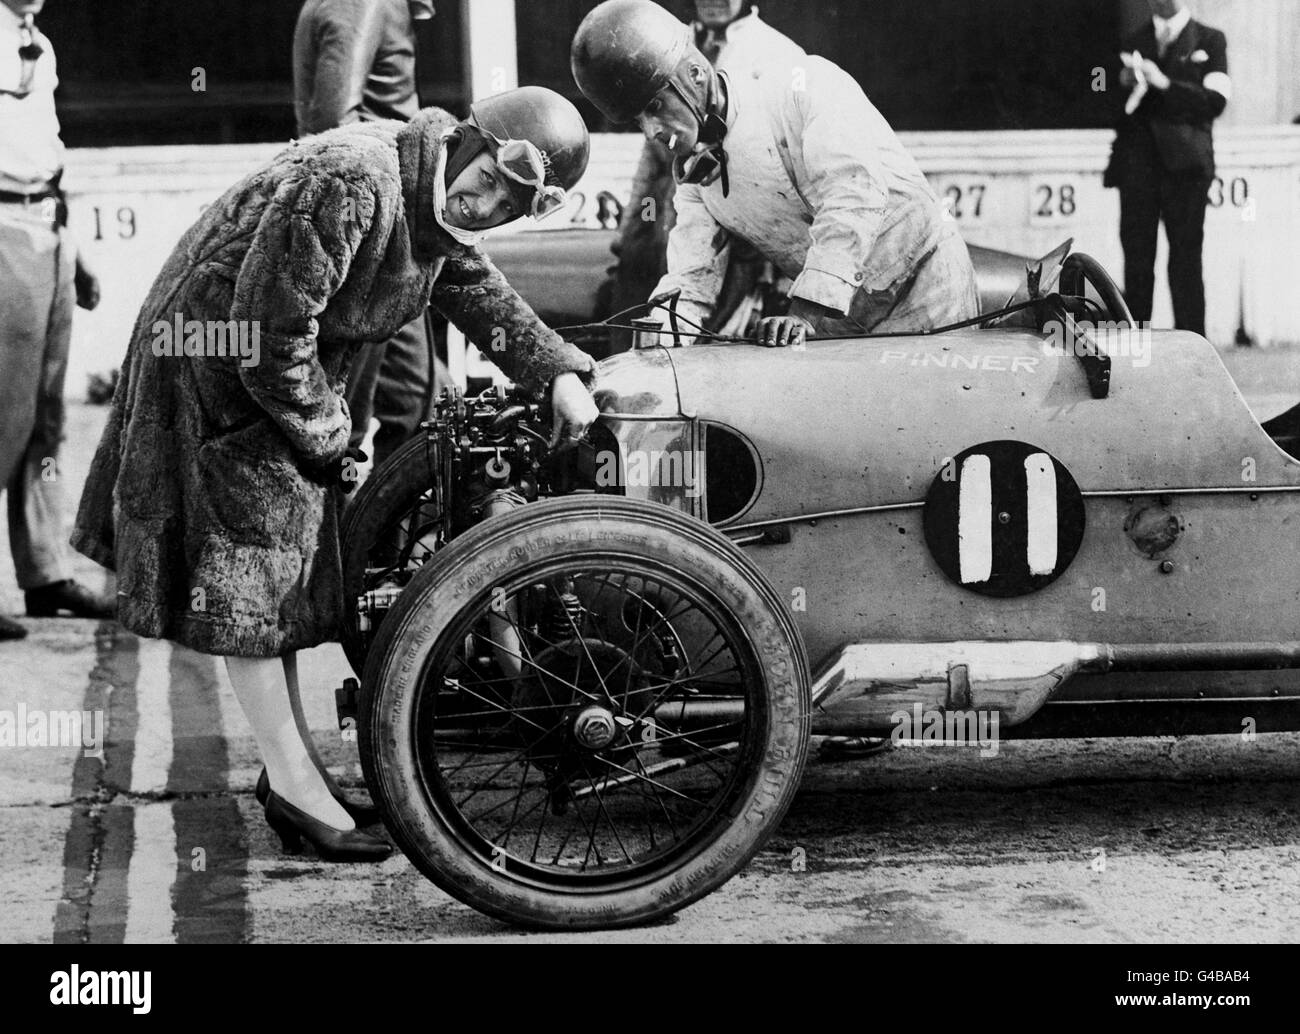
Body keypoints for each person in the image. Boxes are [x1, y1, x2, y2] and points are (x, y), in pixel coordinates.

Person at [71, 88, 600, 861]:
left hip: (270, 366)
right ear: (463, 140)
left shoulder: (432, 194)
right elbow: (269, 333)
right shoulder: (353, 180)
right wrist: (330, 436)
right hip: (219, 363)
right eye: (486, 179)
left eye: (507, 205)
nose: (483, 204)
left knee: (275, 581)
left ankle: (294, 772)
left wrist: (554, 371)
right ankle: (293, 787)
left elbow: (472, 286)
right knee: (247, 582)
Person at [573, 0, 978, 350]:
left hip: (926, 292)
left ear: (696, 76)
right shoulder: (697, 174)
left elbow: (852, 196)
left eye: (656, 106)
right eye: (638, 119)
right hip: (837, 319)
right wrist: (653, 339)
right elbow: (692, 276)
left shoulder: (801, 87)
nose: (651, 131)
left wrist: (802, 314)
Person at [0, 0, 113, 642]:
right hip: (3, 230)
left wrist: (78, 252)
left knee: (45, 419)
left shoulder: (36, 40)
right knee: (2, 416)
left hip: (47, 226)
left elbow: (44, 152)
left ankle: (45, 572)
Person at [293, 0, 442, 472]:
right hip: (374, 236)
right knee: (346, 419)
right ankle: (347, 542)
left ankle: (383, 539)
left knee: (414, 399)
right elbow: (334, 125)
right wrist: (382, 228)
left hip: (384, 232)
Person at [606, 1, 804, 349]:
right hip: (666, 216)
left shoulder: (779, 52)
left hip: (739, 229)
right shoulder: (661, 42)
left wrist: (786, 274)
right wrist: (630, 235)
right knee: (642, 307)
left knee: (716, 341)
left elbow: (791, 172)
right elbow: (651, 159)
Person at [1104, 0, 1229, 337]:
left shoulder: (1210, 40)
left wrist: (1164, 84)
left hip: (1187, 171)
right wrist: (1119, 79)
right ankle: (1135, 350)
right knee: (1138, 266)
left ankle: (1192, 351)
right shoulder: (1131, 41)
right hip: (1137, 170)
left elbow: (1215, 101)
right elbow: (1094, 87)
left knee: (1186, 264)